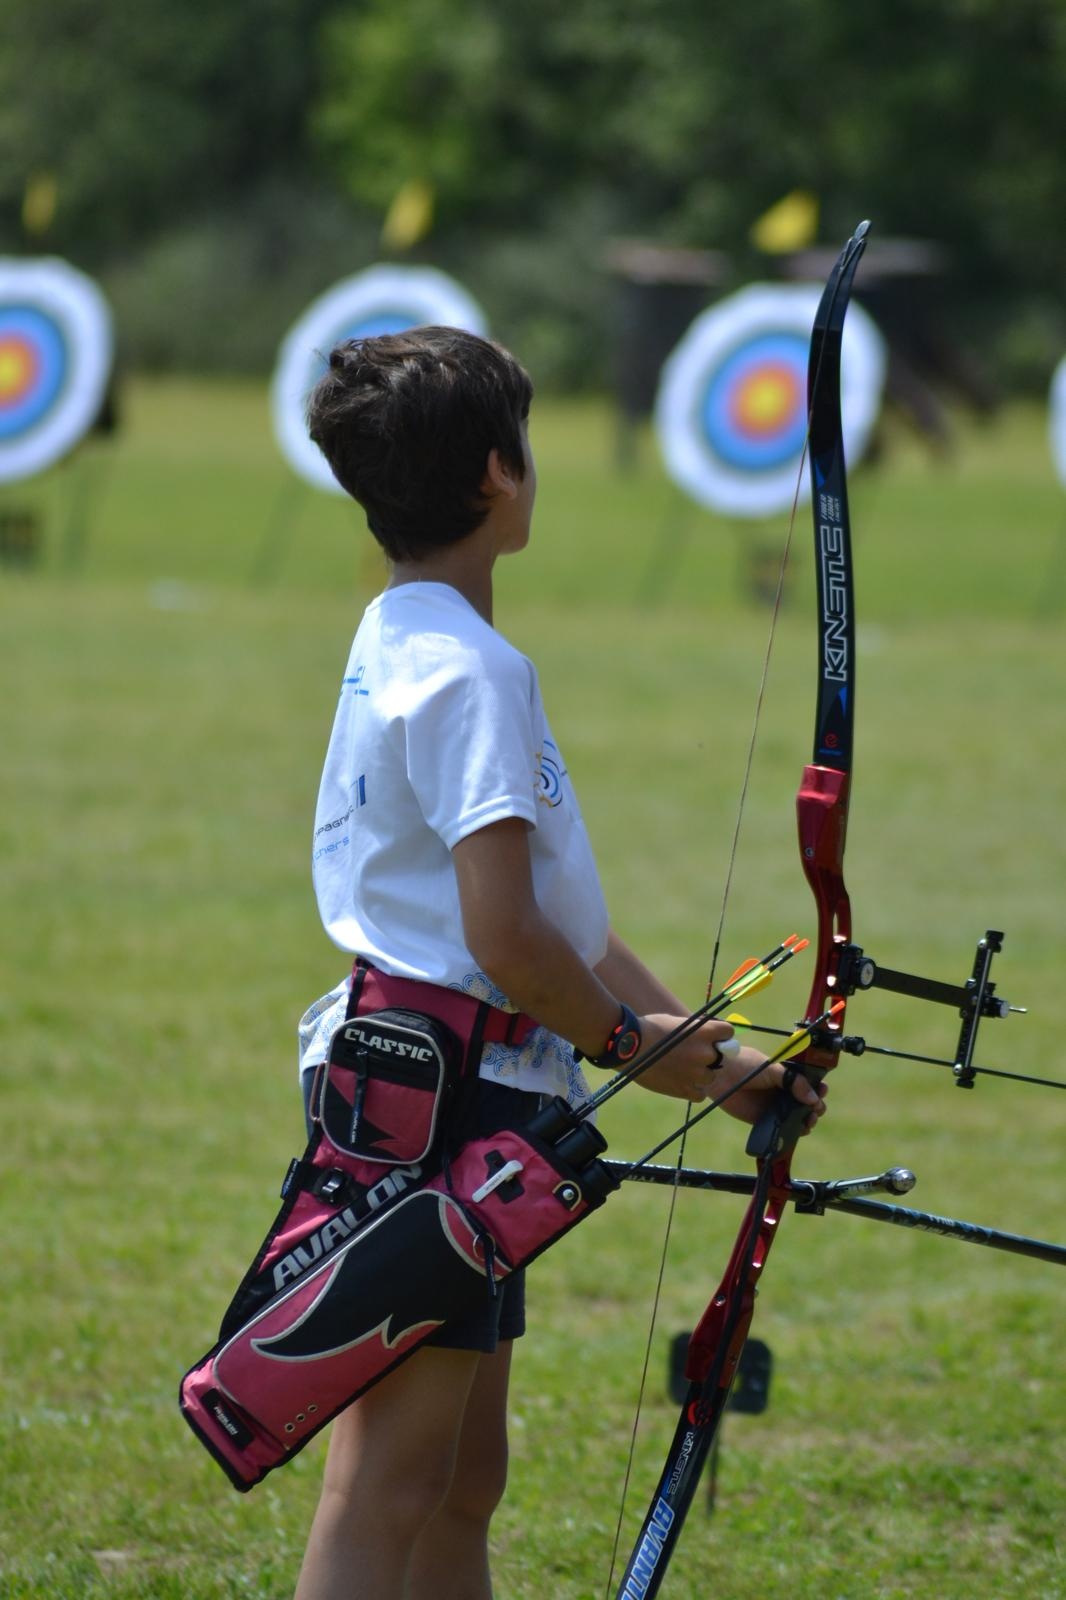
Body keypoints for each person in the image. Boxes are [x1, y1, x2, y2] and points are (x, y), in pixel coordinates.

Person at [291, 327, 826, 1600]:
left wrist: (714, 1062)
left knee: (459, 1478)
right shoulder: (471, 672)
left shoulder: (403, 628)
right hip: (443, 1098)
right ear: (496, 472)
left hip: (432, 1084)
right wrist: (634, 1048)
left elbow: (557, 932)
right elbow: (509, 940)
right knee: (389, 1481)